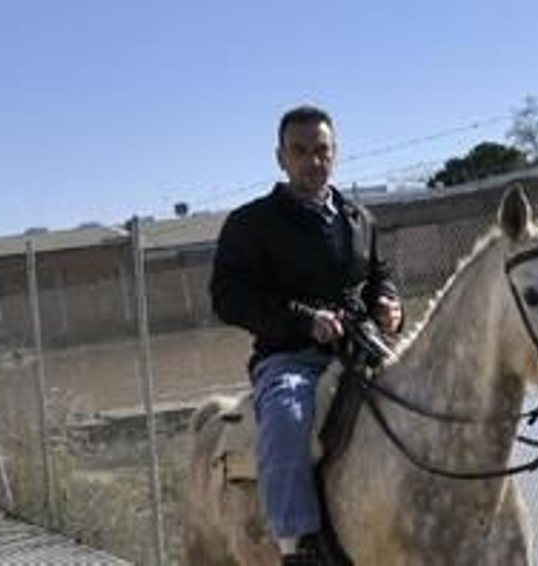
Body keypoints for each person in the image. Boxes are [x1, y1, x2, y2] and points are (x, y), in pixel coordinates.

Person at [210, 105, 403, 565]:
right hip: (291, 358)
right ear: (280, 157)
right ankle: (297, 545)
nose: (312, 160)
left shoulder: (358, 217)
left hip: (364, 350)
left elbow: (380, 273)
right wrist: (304, 320)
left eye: (321, 150)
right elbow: (228, 297)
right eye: (300, 151)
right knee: (288, 415)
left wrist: (391, 303)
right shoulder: (250, 223)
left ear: (335, 154)